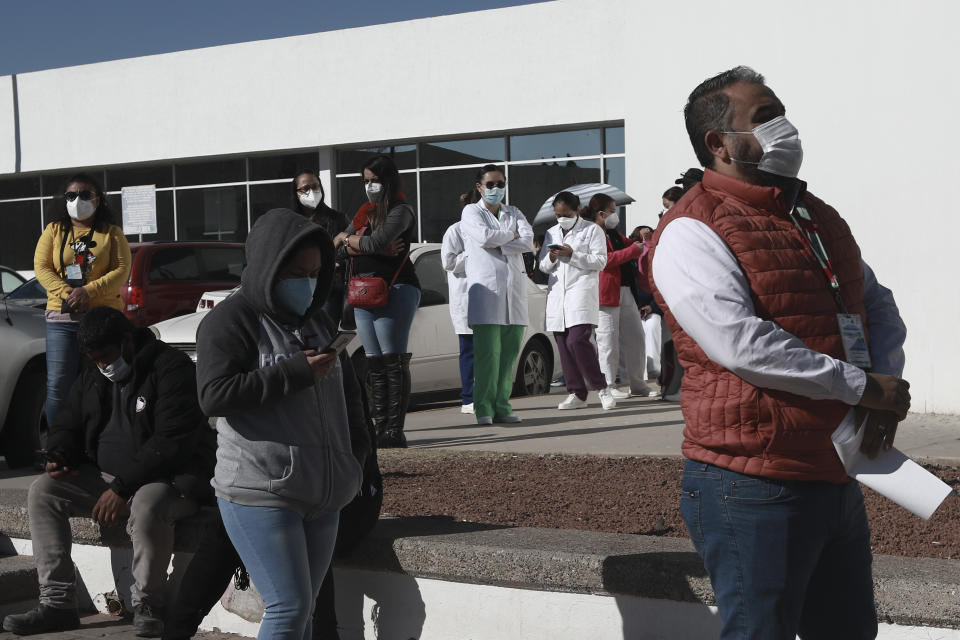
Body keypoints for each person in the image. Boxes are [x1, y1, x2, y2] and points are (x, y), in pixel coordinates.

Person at [650, 66, 910, 640]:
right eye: (764, 118)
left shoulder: (813, 216)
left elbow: (876, 304)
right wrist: (863, 387)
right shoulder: (692, 228)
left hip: (834, 469)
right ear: (718, 144)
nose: (784, 128)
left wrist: (883, 386)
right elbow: (741, 344)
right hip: (752, 481)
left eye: (781, 112)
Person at [196, 209, 371, 640]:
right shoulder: (229, 321)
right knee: (289, 608)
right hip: (259, 490)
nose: (307, 283)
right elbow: (214, 395)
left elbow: (349, 399)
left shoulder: (317, 320)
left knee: (304, 610)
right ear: (268, 266)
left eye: (314, 273)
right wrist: (293, 373)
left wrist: (357, 456)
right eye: (295, 272)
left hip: (322, 493)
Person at [1, 307, 214, 637]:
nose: (103, 365)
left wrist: (122, 488)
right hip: (108, 480)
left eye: (106, 356)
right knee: (43, 492)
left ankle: (148, 605)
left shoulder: (171, 367)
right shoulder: (93, 374)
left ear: (127, 340)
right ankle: (57, 604)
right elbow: (68, 423)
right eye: (95, 358)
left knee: (147, 505)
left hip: (168, 480)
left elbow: (171, 442)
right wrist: (59, 455)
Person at [333, 155, 421, 448]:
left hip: (395, 289)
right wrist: (355, 244)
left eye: (375, 180)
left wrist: (347, 240)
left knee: (392, 359)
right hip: (362, 292)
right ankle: (380, 427)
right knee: (374, 362)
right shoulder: (363, 214)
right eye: (366, 181)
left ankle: (393, 431)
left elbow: (373, 242)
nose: (370, 186)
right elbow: (342, 251)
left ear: (389, 179)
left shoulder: (401, 210)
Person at [33, 173, 131, 428]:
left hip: (102, 320)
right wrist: (69, 293)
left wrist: (88, 291)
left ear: (98, 200)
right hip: (62, 320)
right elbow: (41, 268)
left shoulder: (112, 233)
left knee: (104, 381)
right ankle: (59, 448)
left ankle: (102, 444)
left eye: (85, 195)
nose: (78, 200)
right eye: (71, 195)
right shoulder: (54, 230)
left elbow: (121, 270)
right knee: (58, 386)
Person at [460, 164, 534, 425]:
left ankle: (502, 405)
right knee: (487, 355)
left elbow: (527, 241)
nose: (496, 189)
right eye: (490, 184)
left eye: (500, 184)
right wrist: (510, 236)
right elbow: (482, 237)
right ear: (479, 187)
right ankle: (483, 408)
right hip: (488, 294)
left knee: (509, 353)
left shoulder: (514, 211)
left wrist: (502, 239)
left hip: (514, 294)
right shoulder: (471, 211)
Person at [538, 192, 613, 411]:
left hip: (580, 292)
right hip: (557, 297)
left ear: (577, 210)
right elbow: (543, 266)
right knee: (563, 345)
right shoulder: (551, 233)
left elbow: (600, 261)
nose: (561, 218)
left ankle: (602, 388)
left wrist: (572, 255)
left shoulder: (592, 230)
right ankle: (577, 393)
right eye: (557, 215)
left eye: (566, 214)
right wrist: (552, 257)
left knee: (577, 341)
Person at [582, 194, 654, 399]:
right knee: (608, 340)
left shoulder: (613, 232)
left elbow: (629, 244)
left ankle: (638, 383)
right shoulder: (591, 232)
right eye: (612, 211)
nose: (615, 215)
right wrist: (632, 250)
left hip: (625, 290)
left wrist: (639, 237)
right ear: (601, 213)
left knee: (636, 337)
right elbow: (604, 260)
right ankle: (609, 384)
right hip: (605, 293)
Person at [293, 170, 350, 327]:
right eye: (305, 188)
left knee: (325, 334)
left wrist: (335, 261)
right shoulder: (291, 221)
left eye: (315, 187)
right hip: (298, 288)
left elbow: (347, 250)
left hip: (328, 290)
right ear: (296, 192)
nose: (311, 192)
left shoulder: (337, 218)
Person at [441, 219, 474, 415]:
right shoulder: (455, 230)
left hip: (490, 300)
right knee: (469, 351)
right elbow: (449, 262)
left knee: (490, 353)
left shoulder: (492, 231)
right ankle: (469, 398)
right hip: (466, 299)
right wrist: (473, 253)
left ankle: (487, 396)